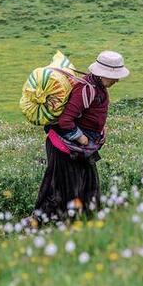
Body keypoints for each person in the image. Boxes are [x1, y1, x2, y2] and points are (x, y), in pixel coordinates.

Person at [34, 50, 129, 223]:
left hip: (79, 149)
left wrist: (101, 129)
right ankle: (41, 225)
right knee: (62, 190)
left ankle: (85, 224)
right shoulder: (85, 89)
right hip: (64, 148)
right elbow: (65, 121)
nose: (117, 80)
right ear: (101, 73)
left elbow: (92, 114)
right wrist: (81, 138)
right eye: (113, 76)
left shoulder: (98, 87)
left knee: (88, 187)